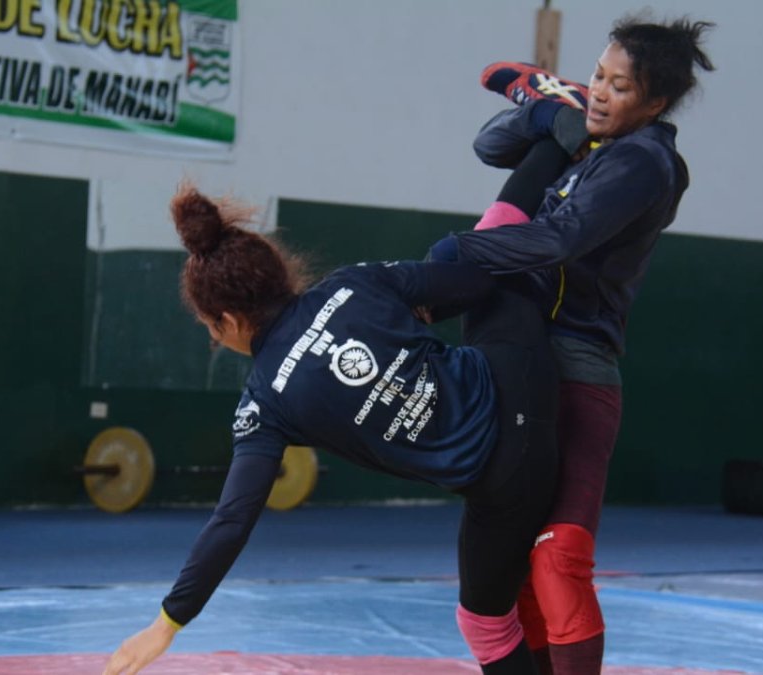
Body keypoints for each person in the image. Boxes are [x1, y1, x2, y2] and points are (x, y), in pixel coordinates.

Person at [102, 183, 561, 675]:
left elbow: (232, 520)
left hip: (510, 479)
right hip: (532, 383)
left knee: (485, 626)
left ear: (229, 320)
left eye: (210, 328)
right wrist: (406, 319)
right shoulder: (352, 284)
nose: (214, 337)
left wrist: (167, 623)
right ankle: (560, 158)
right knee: (461, 248)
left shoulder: (264, 402)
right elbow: (477, 285)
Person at [430, 14, 715, 675]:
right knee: (519, 563)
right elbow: (487, 146)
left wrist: (463, 252)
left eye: (621, 86)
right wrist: (547, 116)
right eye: (598, 76)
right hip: (521, 355)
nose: (604, 93)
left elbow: (561, 239)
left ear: (656, 103)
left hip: (577, 366)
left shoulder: (645, 161)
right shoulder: (596, 135)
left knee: (557, 556)